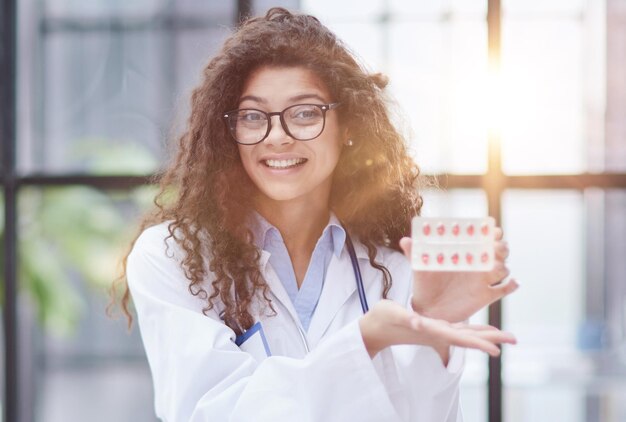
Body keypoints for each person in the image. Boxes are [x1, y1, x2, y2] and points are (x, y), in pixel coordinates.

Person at [118, 7, 519, 422]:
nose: (276, 137)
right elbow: (208, 412)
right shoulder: (172, 258)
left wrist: (430, 322)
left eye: (305, 113)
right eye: (253, 116)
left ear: (347, 126)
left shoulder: (397, 266)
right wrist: (362, 343)